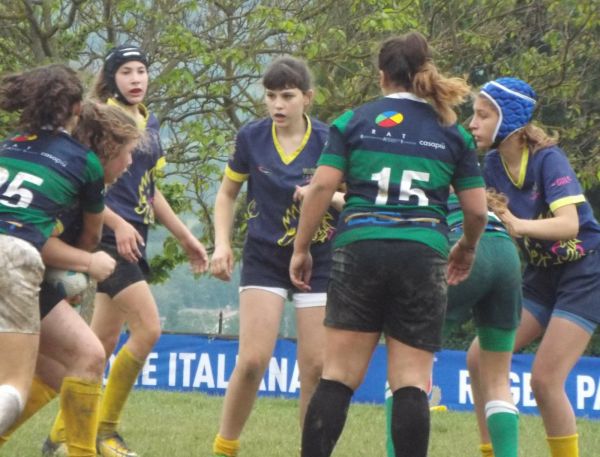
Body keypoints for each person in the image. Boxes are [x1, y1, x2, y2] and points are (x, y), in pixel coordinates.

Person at [290, 31, 488, 457]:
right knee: (411, 382)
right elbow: (476, 212)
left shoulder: (353, 121)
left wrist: (301, 248)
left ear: (382, 75)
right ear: (423, 72)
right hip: (422, 254)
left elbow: (321, 187)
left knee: (338, 376)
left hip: (360, 248)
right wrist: (467, 247)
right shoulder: (453, 133)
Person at [43, 45, 209, 457]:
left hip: (135, 236)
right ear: (111, 77)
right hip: (106, 236)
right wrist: (116, 225)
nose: (136, 79)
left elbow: (150, 191)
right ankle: (104, 432)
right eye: (126, 71)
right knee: (148, 329)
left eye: (141, 70)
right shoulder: (101, 118)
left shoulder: (150, 122)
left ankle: (61, 436)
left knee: (100, 343)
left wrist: (185, 237)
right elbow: (88, 185)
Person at [210, 56, 342, 457]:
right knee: (252, 360)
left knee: (315, 368)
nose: (278, 105)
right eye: (270, 96)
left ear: (308, 97)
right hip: (264, 257)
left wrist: (324, 196)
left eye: (287, 96)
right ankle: (224, 447)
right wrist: (222, 244)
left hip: (319, 258)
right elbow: (226, 194)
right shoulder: (251, 137)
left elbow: (351, 199)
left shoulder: (330, 140)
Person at [467, 76, 600, 457]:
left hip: (585, 273)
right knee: (478, 357)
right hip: (541, 275)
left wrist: (518, 224)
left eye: (482, 115)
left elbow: (569, 224)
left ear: (509, 119)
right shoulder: (492, 164)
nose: (472, 124)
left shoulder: (548, 159)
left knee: (544, 380)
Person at [0, 101, 141, 457]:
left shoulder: (61, 172)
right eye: (127, 153)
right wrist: (87, 262)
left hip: (19, 273)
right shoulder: (72, 185)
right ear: (106, 149)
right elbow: (35, 242)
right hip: (11, 269)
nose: (129, 163)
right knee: (88, 354)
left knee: (55, 371)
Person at [0, 65, 105, 438]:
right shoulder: (84, 161)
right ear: (77, 108)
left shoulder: (7, 145)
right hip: (14, 256)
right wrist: (80, 268)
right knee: (14, 386)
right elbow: (91, 236)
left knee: (76, 361)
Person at [385, 189, 523, 457]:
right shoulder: (468, 181)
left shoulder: (414, 176)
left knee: (405, 371)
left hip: (462, 245)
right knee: (497, 381)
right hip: (505, 252)